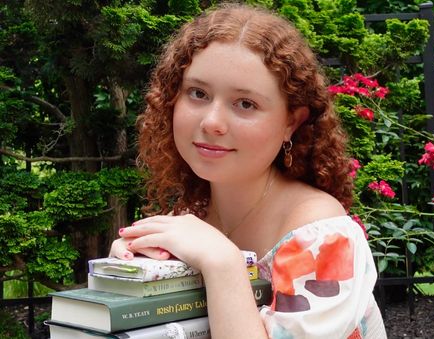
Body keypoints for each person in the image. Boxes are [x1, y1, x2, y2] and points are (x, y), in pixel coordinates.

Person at [110, 3, 387, 338]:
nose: (212, 122)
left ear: (291, 121)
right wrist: (137, 278)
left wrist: (222, 263)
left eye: (245, 104)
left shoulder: (321, 236)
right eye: (198, 93)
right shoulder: (189, 221)